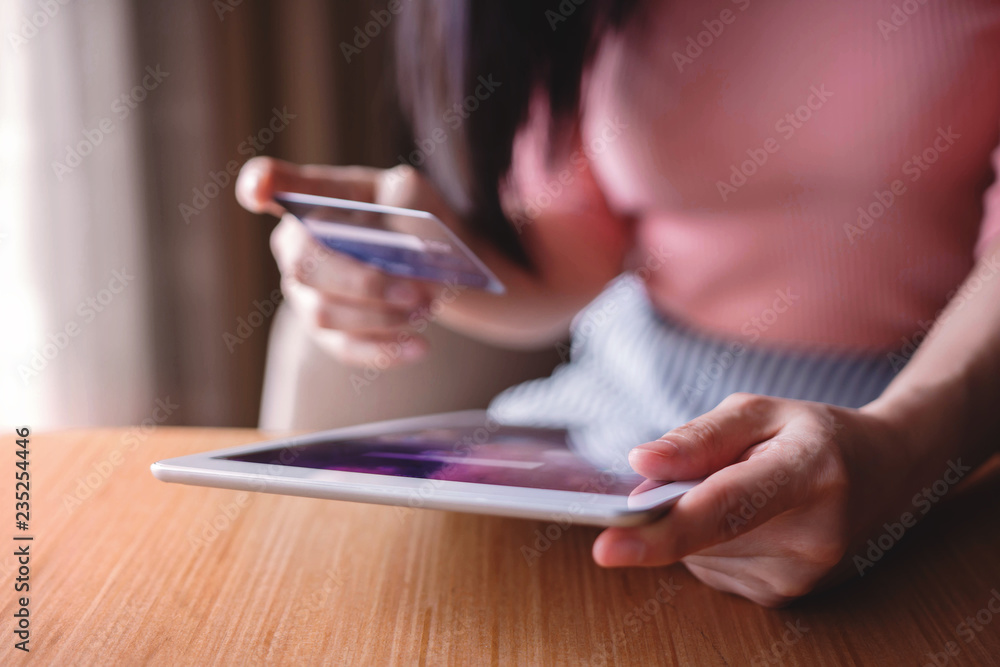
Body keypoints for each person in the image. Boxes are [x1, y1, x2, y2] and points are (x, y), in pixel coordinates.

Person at [235, 0, 1000, 607]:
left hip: (944, 435)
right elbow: (577, 252)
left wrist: (904, 445)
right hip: (623, 423)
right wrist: (422, 259)